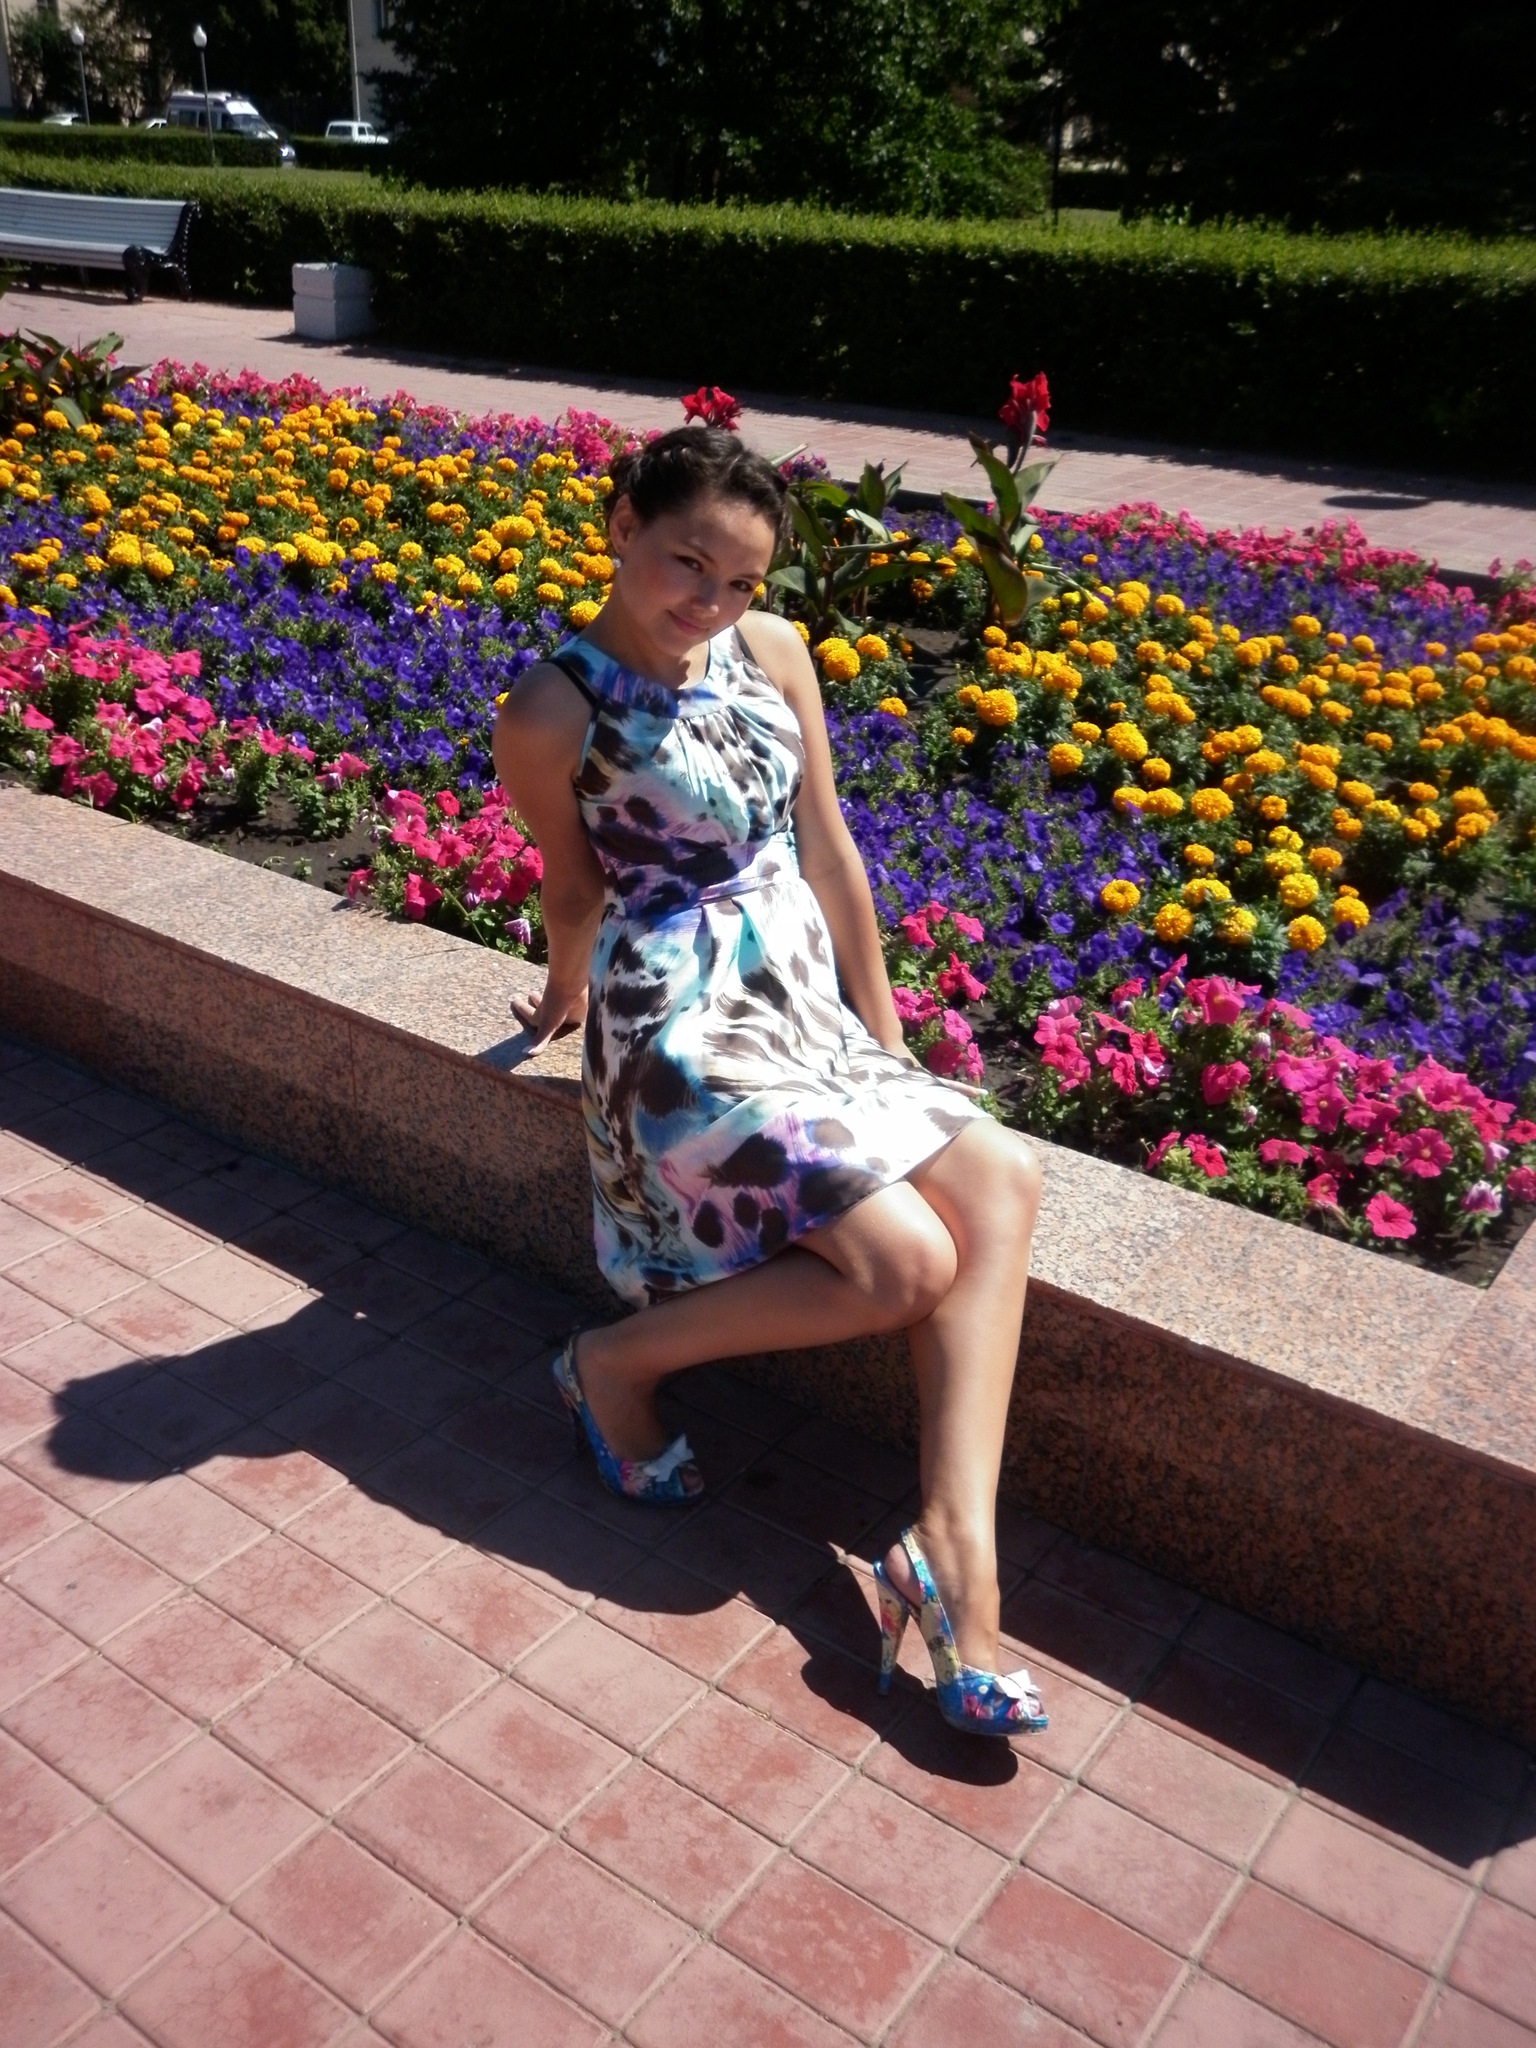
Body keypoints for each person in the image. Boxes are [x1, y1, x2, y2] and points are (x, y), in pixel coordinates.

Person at [492, 425, 1048, 1737]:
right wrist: (564, 1001)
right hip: (676, 1021)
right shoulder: (552, 709)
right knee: (905, 1265)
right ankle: (608, 1363)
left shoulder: (777, 652)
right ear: (622, 526)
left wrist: (886, 1037)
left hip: (796, 996)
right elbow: (572, 887)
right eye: (689, 563)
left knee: (1003, 1175)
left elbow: (830, 846)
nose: (713, 602)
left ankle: (954, 1548)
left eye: (741, 579)